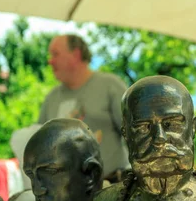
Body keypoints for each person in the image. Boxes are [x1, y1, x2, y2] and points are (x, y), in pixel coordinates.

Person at [38, 34, 129, 181]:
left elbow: (135, 133)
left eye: (55, 54)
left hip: (111, 189)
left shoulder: (110, 86)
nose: (50, 61)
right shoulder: (51, 98)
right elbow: (40, 147)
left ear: (76, 55)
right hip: (65, 195)